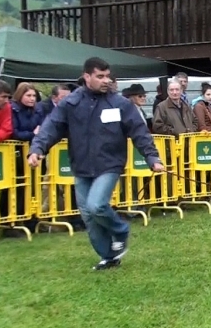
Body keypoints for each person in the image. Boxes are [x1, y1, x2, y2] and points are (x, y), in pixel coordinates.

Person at [27, 57, 165, 271]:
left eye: (107, 76)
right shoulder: (71, 103)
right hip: (81, 165)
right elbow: (51, 127)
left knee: (97, 205)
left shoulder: (119, 103)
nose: (105, 80)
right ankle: (109, 256)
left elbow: (139, 132)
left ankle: (120, 230)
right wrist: (37, 149)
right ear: (87, 77)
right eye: (100, 76)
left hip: (109, 164)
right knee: (89, 216)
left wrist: (152, 157)